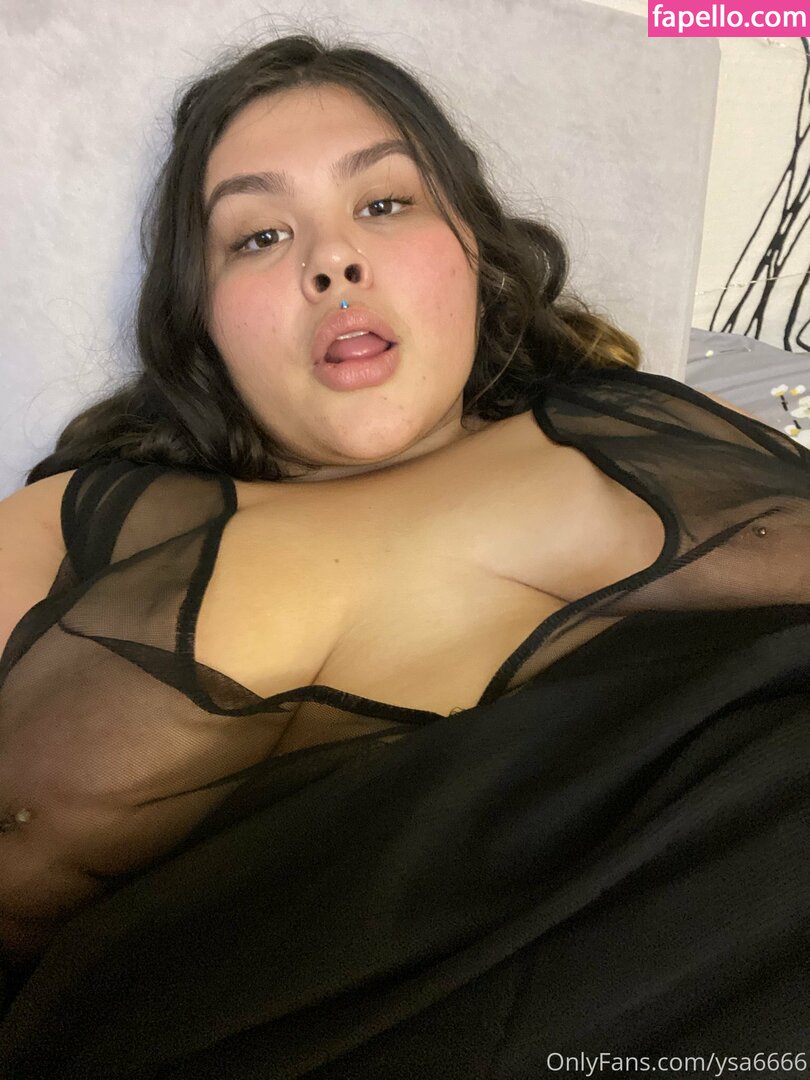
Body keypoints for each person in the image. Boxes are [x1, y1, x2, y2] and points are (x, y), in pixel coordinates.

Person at [0, 32, 807, 1079]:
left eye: (383, 203)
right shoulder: (84, 522)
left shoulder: (628, 436)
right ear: (201, 320)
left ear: (476, 253)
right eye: (258, 235)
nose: (331, 262)